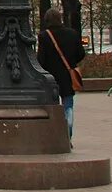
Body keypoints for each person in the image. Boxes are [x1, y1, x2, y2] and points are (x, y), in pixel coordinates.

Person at [37, 8, 87, 137]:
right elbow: (81, 54)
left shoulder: (44, 36)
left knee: (52, 105)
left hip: (50, 78)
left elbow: (41, 60)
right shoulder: (72, 34)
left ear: (46, 20)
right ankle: (68, 131)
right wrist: (71, 63)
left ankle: (54, 135)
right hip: (68, 76)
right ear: (60, 19)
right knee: (68, 104)